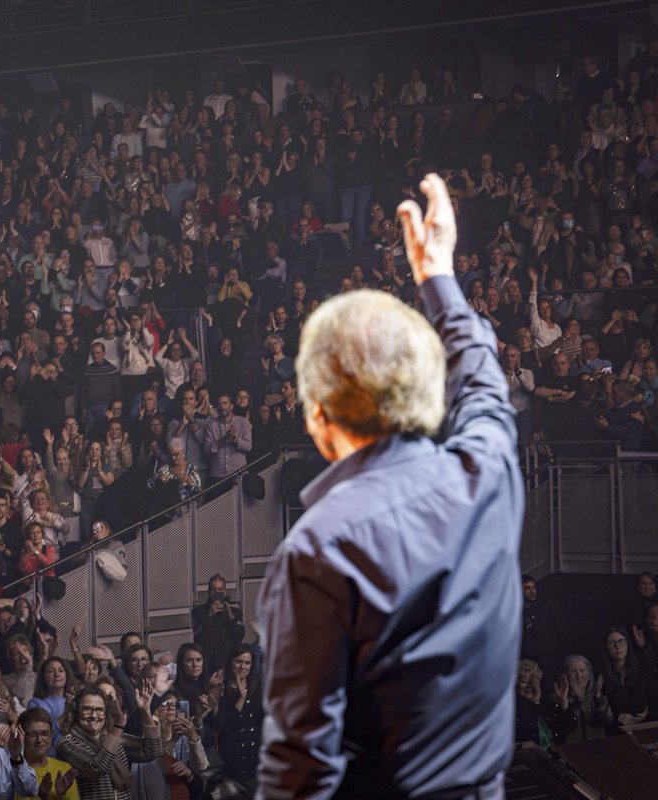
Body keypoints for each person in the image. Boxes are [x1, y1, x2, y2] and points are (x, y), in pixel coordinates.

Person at [257, 174, 523, 797]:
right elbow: (485, 384)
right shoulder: (488, 473)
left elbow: (301, 770)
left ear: (318, 419)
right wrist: (438, 277)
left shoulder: (317, 552)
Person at [190, 574, 244, 674]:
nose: (217, 592)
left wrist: (230, 618)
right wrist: (209, 616)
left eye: (220, 589)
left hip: (229, 663)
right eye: (214, 589)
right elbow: (198, 637)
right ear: (208, 592)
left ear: (225, 591)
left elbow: (239, 636)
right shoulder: (198, 612)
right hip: (208, 664)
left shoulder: (235, 612)